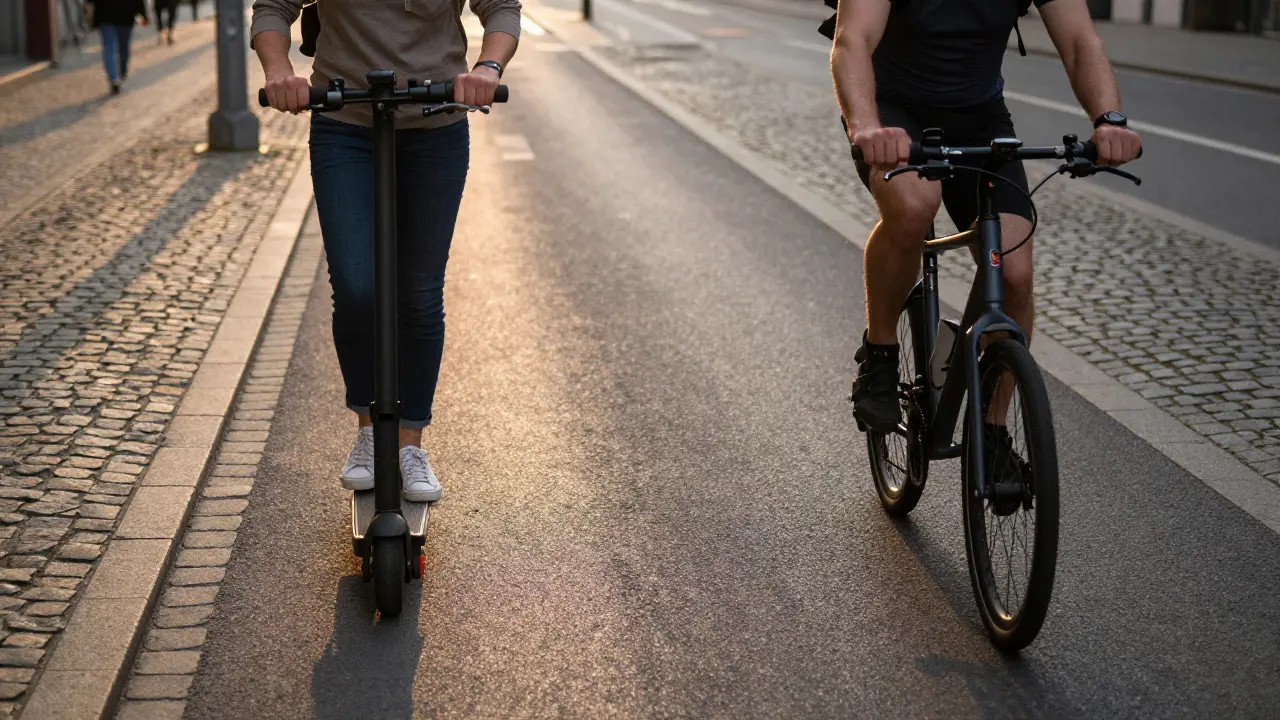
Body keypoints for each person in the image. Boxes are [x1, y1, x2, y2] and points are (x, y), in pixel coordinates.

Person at [828, 0, 1141, 440]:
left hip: (979, 117)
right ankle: (879, 355)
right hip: (891, 115)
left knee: (1014, 275)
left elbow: (1079, 42)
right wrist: (865, 126)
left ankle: (993, 433)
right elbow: (852, 39)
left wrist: (1109, 120)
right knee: (915, 204)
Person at [253, 0, 520, 502]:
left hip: (436, 124)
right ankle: (369, 430)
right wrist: (279, 69)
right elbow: (272, 8)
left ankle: (410, 444)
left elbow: (501, 8)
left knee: (418, 294)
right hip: (344, 123)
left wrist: (487, 66)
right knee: (357, 288)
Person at [85, 0, 149, 94]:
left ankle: (113, 78)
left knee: (109, 47)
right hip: (126, 16)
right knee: (123, 47)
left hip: (105, 14)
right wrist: (143, 16)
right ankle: (121, 74)